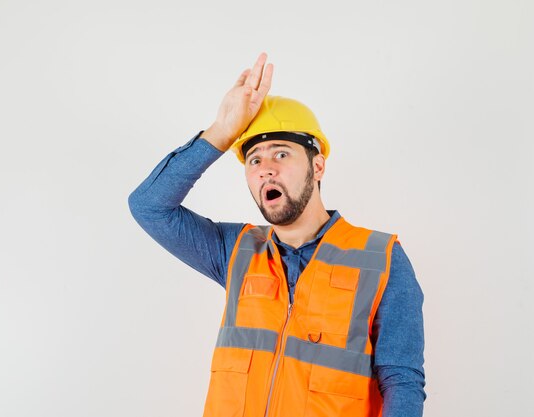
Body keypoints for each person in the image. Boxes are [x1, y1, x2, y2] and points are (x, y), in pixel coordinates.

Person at [128, 53, 426, 417]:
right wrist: (221, 132)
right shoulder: (234, 251)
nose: (266, 169)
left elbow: (401, 381)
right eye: (254, 160)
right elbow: (149, 206)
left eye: (281, 154)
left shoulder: (382, 258)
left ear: (317, 166)